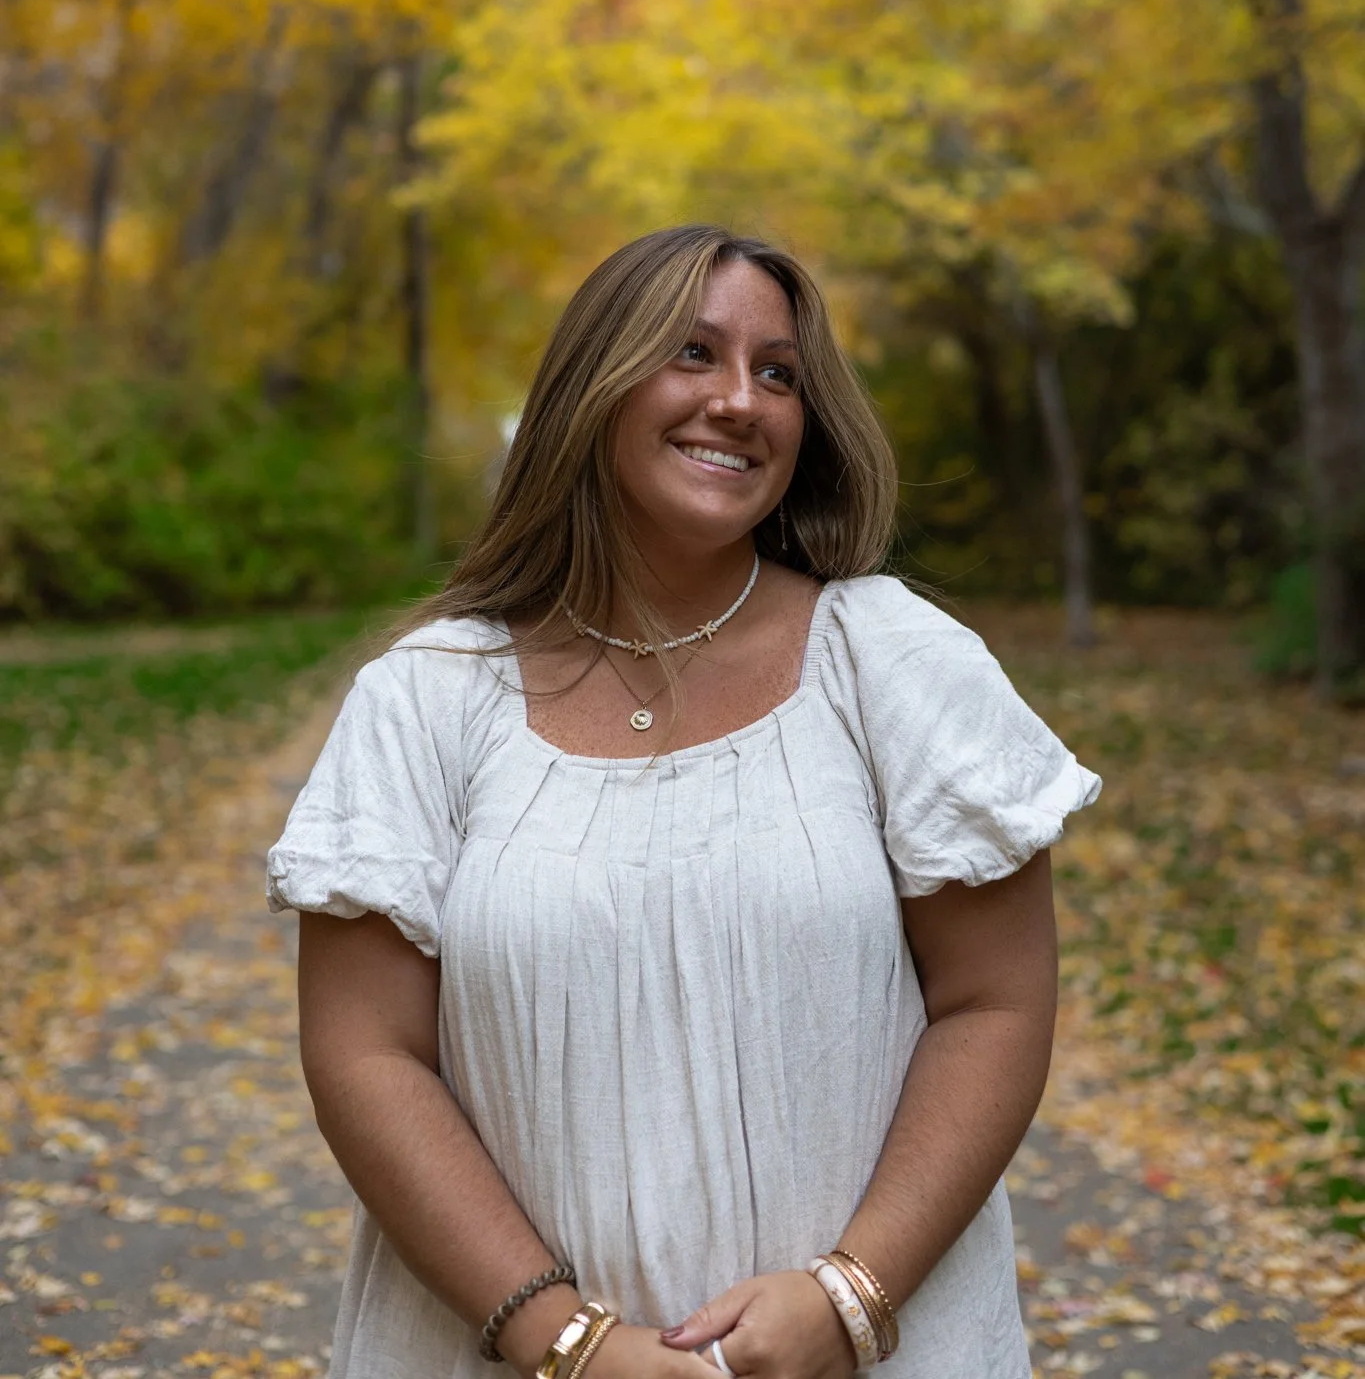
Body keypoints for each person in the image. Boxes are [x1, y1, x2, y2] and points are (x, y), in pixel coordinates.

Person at [267, 223, 1100, 1379]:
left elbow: (995, 1003)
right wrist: (568, 1341)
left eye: (780, 373)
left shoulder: (895, 661)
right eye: (693, 353)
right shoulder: (429, 697)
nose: (740, 400)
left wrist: (848, 1297)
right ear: (592, 388)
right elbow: (366, 1053)